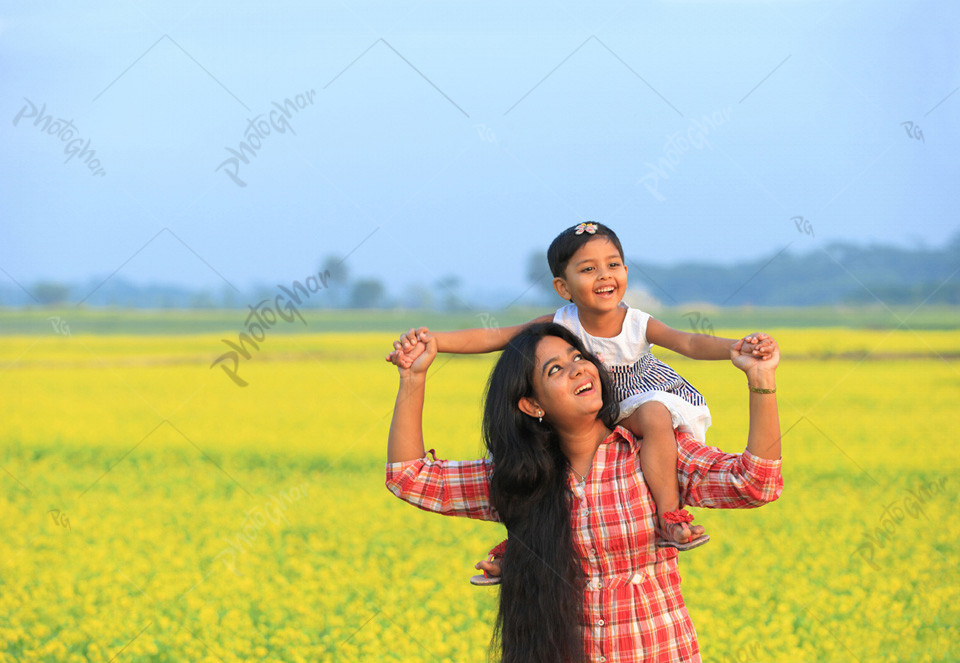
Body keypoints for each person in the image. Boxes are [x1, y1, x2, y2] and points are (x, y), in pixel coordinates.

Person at [387, 222, 776, 581]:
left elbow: (690, 342)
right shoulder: (559, 324)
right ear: (563, 287)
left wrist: (736, 349)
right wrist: (435, 342)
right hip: (589, 416)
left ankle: (668, 515)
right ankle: (523, 548)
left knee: (656, 416)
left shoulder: (638, 322)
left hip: (635, 402)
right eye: (588, 269)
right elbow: (496, 337)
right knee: (540, 463)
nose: (605, 275)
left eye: (614, 264)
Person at [385, 322, 782, 662]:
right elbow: (410, 478)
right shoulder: (520, 478)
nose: (578, 370)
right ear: (532, 404)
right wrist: (413, 379)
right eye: (556, 369)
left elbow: (755, 484)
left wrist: (761, 382)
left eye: (578, 357)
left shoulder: (652, 453)